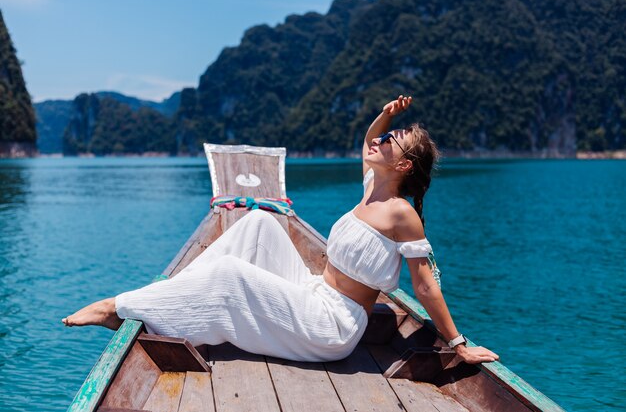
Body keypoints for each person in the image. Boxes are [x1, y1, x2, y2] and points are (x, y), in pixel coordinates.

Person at [62, 95, 499, 364]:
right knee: (257, 224)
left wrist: (458, 343)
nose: (381, 141)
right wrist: (385, 116)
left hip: (333, 325)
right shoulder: (372, 190)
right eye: (386, 137)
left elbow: (424, 288)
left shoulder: (401, 213)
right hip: (313, 291)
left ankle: (116, 308)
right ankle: (177, 293)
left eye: (392, 141)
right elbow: (366, 141)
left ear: (403, 165)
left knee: (230, 276)